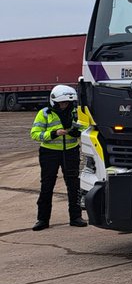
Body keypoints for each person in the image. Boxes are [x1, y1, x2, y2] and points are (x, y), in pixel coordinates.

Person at [30, 85, 87, 231]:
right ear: (54, 101)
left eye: (67, 103)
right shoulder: (45, 113)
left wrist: (77, 132)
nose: (64, 106)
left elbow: (84, 128)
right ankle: (42, 219)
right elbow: (35, 134)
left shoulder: (75, 112)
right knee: (47, 186)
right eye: (62, 103)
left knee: (73, 185)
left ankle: (75, 217)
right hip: (49, 153)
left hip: (70, 151)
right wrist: (53, 133)